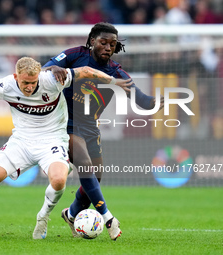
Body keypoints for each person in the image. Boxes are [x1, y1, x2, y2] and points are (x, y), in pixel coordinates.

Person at [0, 56, 131, 239]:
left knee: (59, 179)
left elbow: (83, 70)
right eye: (25, 83)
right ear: (16, 77)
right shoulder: (6, 85)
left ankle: (42, 218)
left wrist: (113, 81)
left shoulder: (53, 79)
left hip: (52, 140)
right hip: (21, 141)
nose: (29, 87)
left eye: (33, 82)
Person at [42, 22, 164, 240]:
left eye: (112, 44)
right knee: (85, 166)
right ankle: (108, 218)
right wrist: (55, 68)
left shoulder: (116, 72)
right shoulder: (75, 55)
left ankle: (70, 215)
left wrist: (154, 102)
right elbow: (45, 68)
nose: (108, 47)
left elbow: (141, 100)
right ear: (92, 41)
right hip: (64, 124)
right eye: (103, 42)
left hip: (90, 128)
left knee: (95, 177)